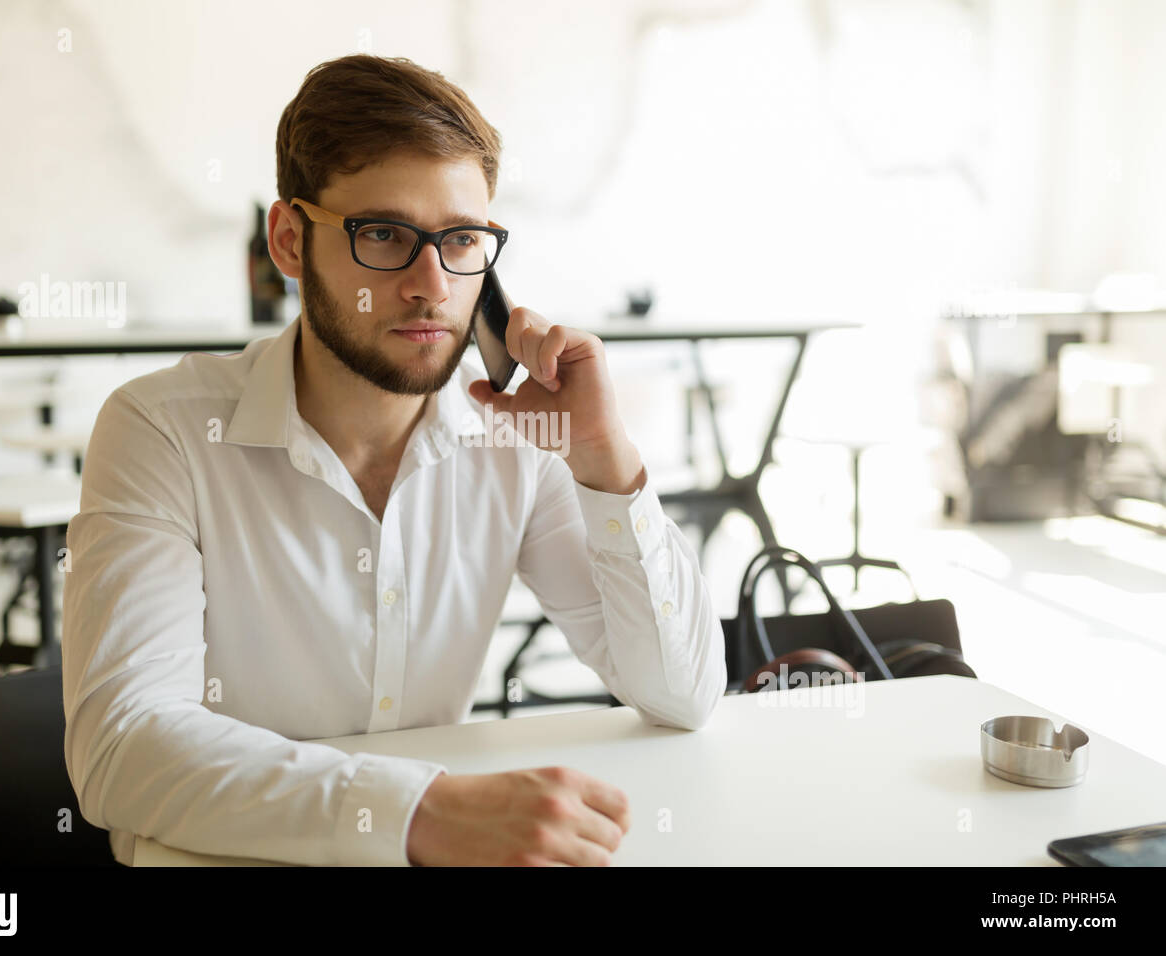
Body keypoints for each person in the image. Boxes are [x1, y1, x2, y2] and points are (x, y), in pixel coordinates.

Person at [62, 53, 727, 867]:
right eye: (383, 234)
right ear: (288, 239)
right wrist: (414, 813)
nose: (430, 284)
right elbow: (123, 748)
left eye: (461, 240)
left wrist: (604, 461)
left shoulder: (516, 432)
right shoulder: (159, 430)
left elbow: (682, 695)